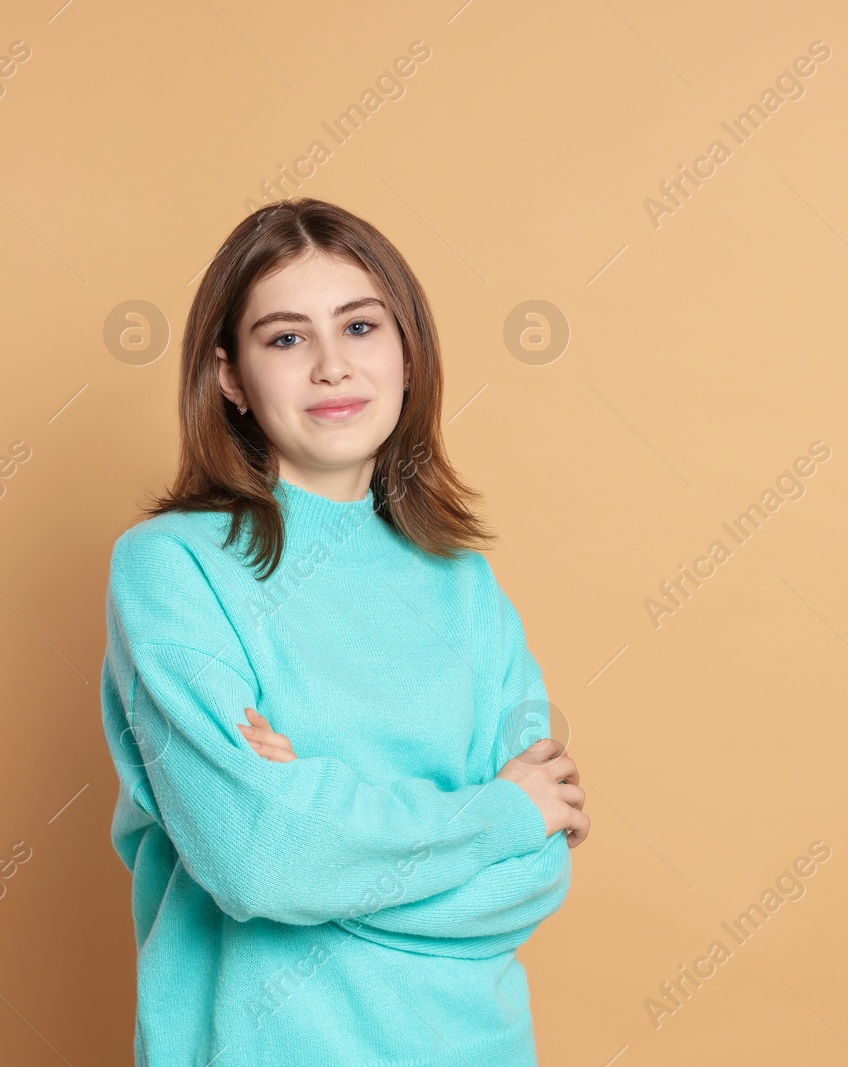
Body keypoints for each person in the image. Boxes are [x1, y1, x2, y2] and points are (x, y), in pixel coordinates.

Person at [98, 197, 588, 1066]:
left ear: (407, 355)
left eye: (360, 326)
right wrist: (499, 811)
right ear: (231, 378)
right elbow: (257, 860)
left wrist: (317, 826)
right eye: (286, 338)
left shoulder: (466, 584)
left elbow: (534, 874)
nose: (332, 366)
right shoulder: (172, 570)